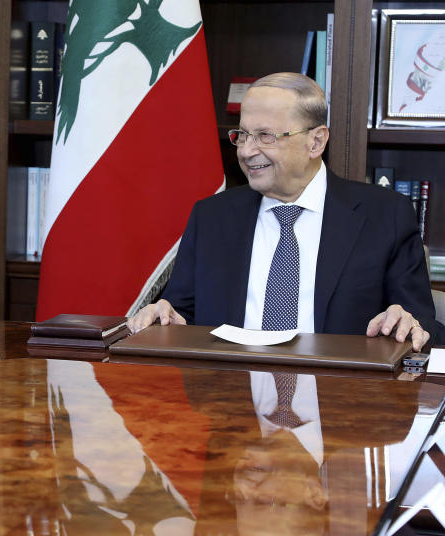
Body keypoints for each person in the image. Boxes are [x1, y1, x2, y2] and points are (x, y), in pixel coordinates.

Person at [129, 72, 436, 351]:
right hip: (226, 398)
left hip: (340, 399)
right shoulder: (211, 218)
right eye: (243, 135)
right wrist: (164, 312)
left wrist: (407, 321)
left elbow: (419, 325)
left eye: (265, 136)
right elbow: (181, 311)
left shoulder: (386, 216)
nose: (247, 151)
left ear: (316, 142)